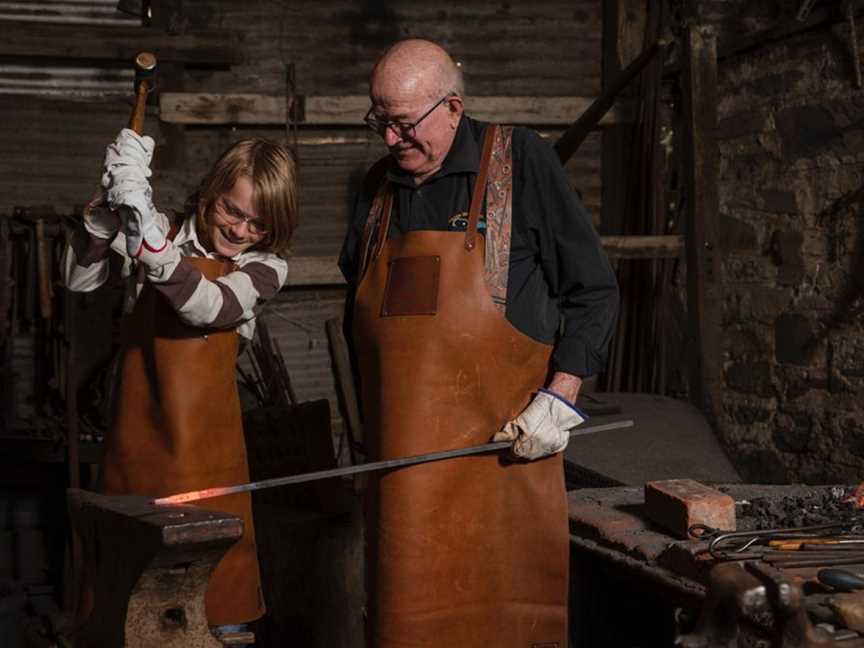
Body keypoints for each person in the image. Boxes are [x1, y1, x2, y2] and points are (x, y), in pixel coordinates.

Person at [339, 39, 618, 647]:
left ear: (454, 108)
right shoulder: (374, 190)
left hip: (503, 464)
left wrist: (561, 397)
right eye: (379, 123)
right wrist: (359, 435)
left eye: (404, 125)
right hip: (401, 477)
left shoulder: (521, 164)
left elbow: (594, 291)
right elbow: (358, 323)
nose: (390, 141)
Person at [64, 130, 297, 635]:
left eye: (259, 223)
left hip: (211, 468)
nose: (241, 230)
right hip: (134, 455)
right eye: (233, 211)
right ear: (211, 192)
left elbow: (206, 307)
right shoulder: (163, 226)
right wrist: (106, 214)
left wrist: (148, 239)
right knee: (118, 614)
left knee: (218, 617)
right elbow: (81, 281)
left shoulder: (265, 267)